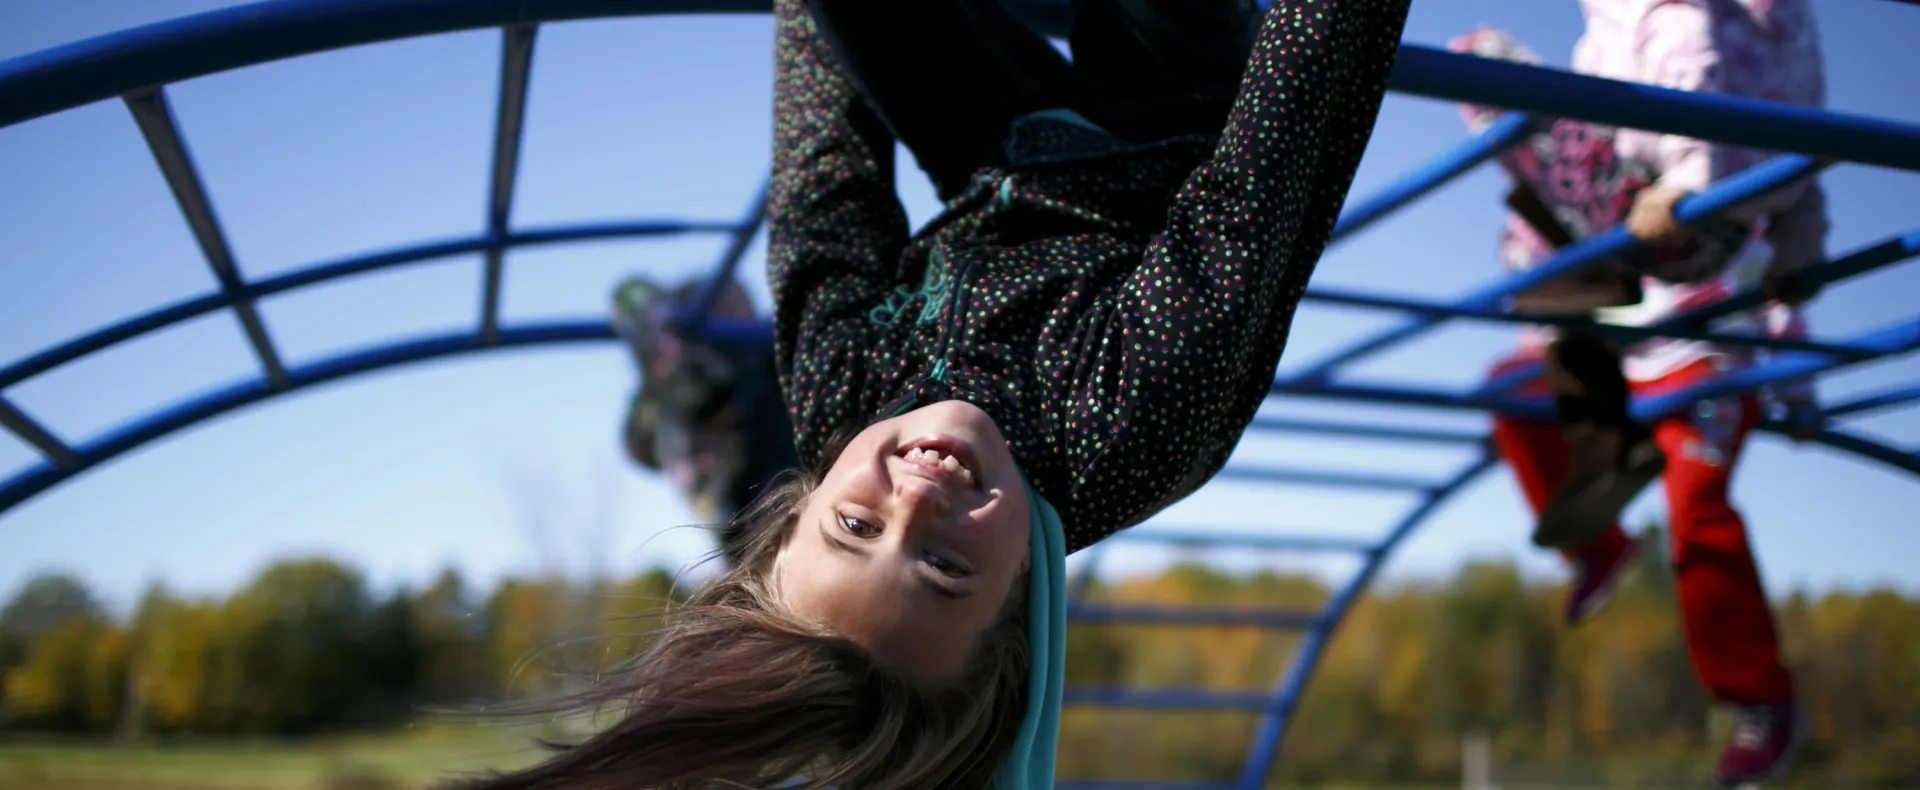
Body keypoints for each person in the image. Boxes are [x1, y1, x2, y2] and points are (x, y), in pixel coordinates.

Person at [443, 0, 1410, 786]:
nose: (917, 499)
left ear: (804, 501)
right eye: (947, 566)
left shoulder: (838, 405)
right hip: (1168, 125)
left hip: (988, 148)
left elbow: (827, 195)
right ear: (1020, 605)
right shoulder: (1128, 424)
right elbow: (1271, 174)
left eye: (855, 528)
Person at [1449, 1, 1827, 785]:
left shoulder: (1703, 29)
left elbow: (1727, 99)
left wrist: (1800, 386)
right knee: (1510, 391)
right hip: (1628, 312)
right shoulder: (1608, 40)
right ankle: (1598, 541)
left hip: (1708, 337)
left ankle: (1761, 701)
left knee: (1697, 512)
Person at [612, 274, 797, 565]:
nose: (735, 321)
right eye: (724, 310)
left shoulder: (769, 360)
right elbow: (638, 445)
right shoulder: (674, 393)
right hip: (745, 521)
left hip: (782, 500)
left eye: (740, 307)